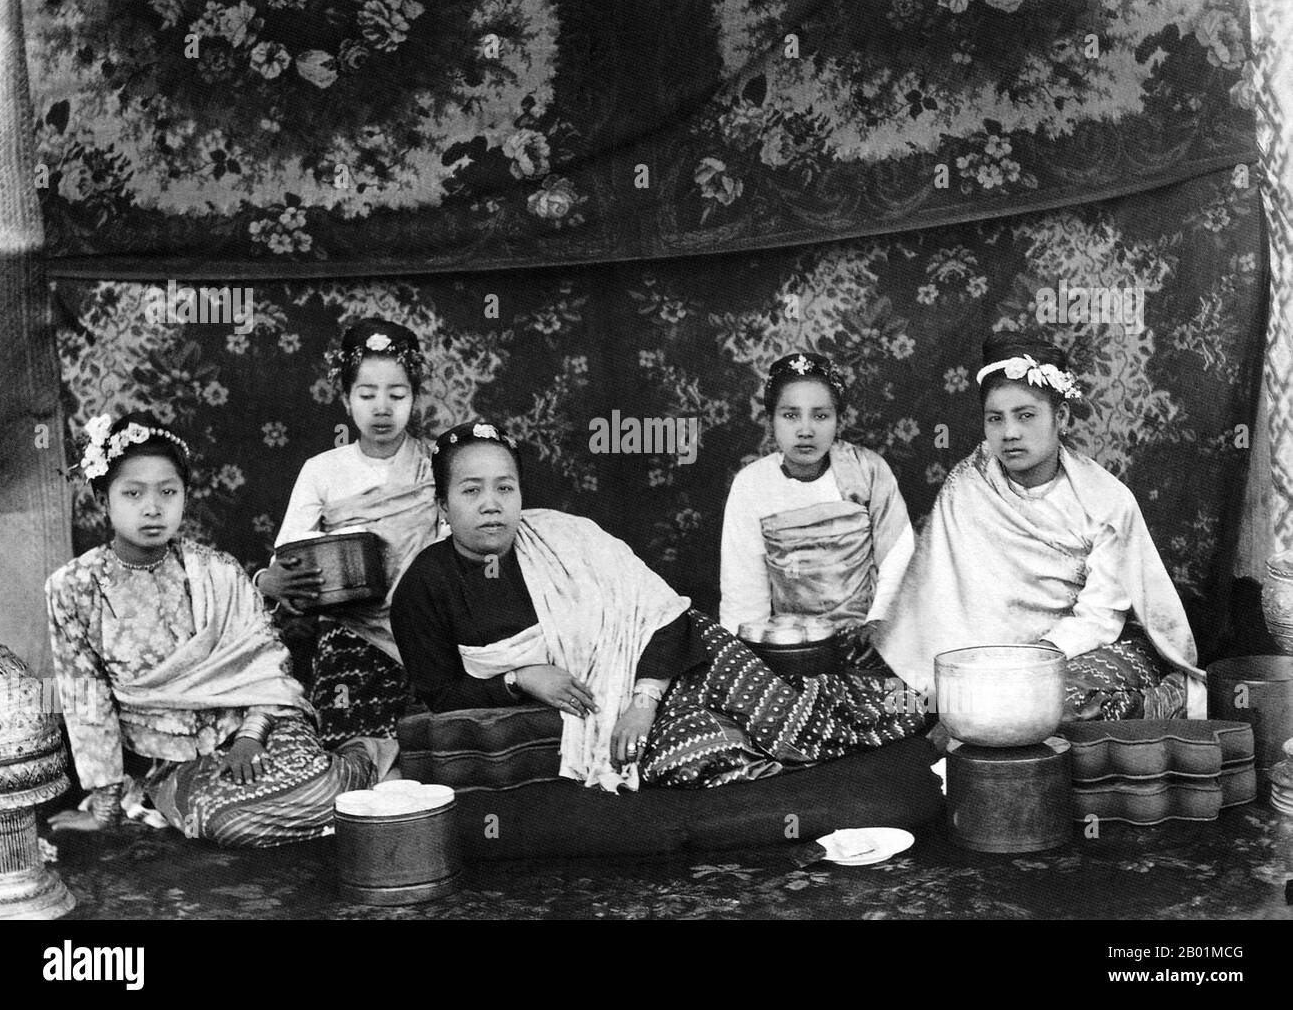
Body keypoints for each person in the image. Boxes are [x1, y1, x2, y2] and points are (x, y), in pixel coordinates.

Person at [390, 419, 926, 793]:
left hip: (676, 659)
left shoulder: (565, 536)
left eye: (505, 487)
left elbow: (664, 615)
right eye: (471, 491)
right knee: (691, 761)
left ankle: (913, 705)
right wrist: (519, 678)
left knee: (788, 717)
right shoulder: (425, 587)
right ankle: (747, 739)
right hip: (600, 708)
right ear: (442, 504)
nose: (491, 504)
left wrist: (643, 701)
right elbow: (439, 693)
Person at [46, 412, 388, 847]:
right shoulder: (72, 588)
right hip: (172, 758)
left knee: (319, 790)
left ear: (185, 497)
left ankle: (361, 759)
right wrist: (105, 803)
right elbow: (84, 697)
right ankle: (353, 778)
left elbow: (267, 670)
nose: (153, 508)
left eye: (168, 492)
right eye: (132, 493)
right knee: (229, 823)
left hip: (261, 726)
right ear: (102, 499)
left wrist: (251, 738)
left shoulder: (218, 572)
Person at [878, 333, 1205, 721]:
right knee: (899, 702)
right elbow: (942, 600)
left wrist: (1037, 658)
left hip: (1072, 649)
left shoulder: (1105, 500)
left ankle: (1158, 701)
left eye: (1026, 415)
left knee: (1055, 703)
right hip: (980, 653)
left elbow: (1100, 617)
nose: (1009, 432)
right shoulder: (968, 484)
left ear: (1061, 417)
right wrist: (981, 668)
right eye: (995, 419)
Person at [257, 318, 441, 749]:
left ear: (414, 397)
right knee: (355, 755)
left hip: (430, 629)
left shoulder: (436, 463)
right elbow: (289, 554)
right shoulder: (322, 470)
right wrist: (269, 581)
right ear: (344, 398)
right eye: (366, 394)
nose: (382, 407)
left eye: (397, 395)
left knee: (429, 749)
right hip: (351, 632)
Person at [719, 351, 915, 664]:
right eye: (790, 415)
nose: (806, 429)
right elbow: (743, 593)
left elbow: (898, 556)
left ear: (839, 420)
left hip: (865, 641)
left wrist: (879, 624)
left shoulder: (867, 471)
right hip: (790, 646)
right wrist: (742, 662)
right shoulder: (752, 484)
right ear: (770, 419)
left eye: (820, 415)